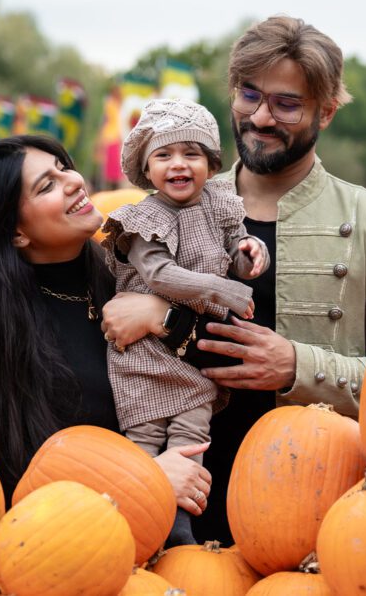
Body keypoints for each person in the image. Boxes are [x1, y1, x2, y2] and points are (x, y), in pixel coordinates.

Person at [187, 15, 366, 542]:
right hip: (185, 499)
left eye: (286, 103)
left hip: (322, 507)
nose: (261, 117)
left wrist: (297, 366)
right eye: (248, 95)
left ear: (326, 112)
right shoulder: (175, 210)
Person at [0, 135, 213, 522]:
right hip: (94, 544)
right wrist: (147, 479)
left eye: (62, 168)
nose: (73, 180)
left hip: (199, 527)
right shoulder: (7, 338)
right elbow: (22, 481)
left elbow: (226, 360)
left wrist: (164, 317)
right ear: (16, 233)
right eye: (47, 185)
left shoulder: (136, 268)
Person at [103, 99, 268, 543]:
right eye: (164, 155)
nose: (179, 165)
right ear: (147, 167)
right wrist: (225, 291)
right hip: (144, 353)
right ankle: (131, 530)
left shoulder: (220, 204)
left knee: (191, 437)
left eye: (191, 154)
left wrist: (251, 256)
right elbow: (160, 275)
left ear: (211, 164)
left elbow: (236, 250)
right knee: (143, 440)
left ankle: (179, 533)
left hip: (191, 353)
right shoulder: (142, 221)